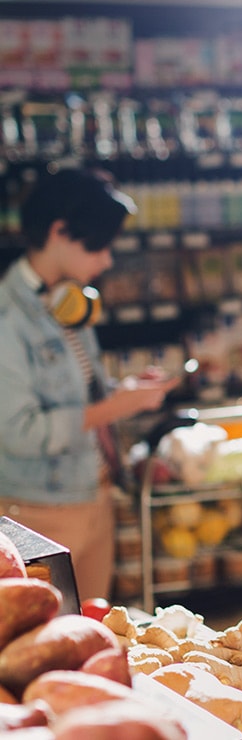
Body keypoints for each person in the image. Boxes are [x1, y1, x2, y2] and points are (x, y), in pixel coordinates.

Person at [0, 168, 179, 601]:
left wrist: (122, 392)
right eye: (97, 246)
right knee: (49, 632)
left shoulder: (68, 298)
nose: (106, 260)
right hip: (39, 511)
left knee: (94, 623)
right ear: (59, 231)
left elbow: (76, 392)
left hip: (95, 494)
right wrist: (116, 407)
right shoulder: (9, 316)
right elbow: (19, 431)